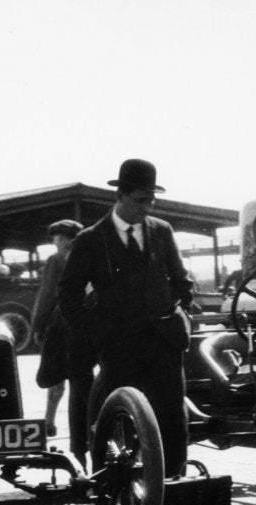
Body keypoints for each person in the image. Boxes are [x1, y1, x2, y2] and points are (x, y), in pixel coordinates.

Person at [58, 159, 193, 477]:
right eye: (141, 200)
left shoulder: (161, 231)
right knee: (123, 420)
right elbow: (69, 293)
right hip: (119, 346)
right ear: (120, 196)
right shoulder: (91, 240)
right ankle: (116, 488)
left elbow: (181, 281)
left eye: (151, 200)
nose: (148, 207)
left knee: (173, 418)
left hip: (164, 343)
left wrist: (178, 310)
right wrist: (95, 331)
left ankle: (175, 489)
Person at [33, 219, 97, 466]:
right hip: (93, 322)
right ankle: (93, 440)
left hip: (66, 324)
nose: (56, 242)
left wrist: (38, 326)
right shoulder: (92, 256)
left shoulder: (56, 260)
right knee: (84, 383)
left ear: (67, 239)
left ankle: (79, 448)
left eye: (59, 238)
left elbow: (48, 294)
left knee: (71, 381)